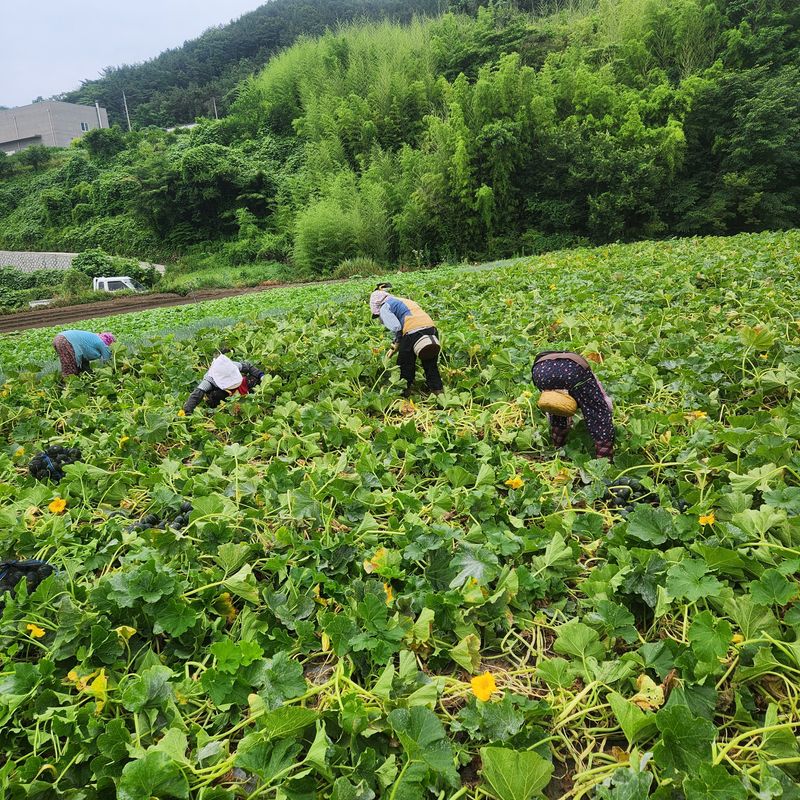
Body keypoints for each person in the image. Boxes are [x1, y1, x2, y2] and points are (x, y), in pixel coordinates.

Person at [531, 351, 614, 459]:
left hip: (540, 371)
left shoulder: (547, 361)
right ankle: (605, 458)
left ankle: (557, 447)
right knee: (597, 413)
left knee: (557, 407)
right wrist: (606, 411)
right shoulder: (588, 374)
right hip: (572, 371)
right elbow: (603, 400)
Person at [370, 287, 443, 397]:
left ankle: (405, 393)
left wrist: (396, 345)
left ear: (376, 305)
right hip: (431, 329)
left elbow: (396, 327)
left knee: (405, 364)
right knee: (430, 363)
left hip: (412, 331)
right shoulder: (404, 300)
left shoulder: (385, 307)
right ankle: (438, 393)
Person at [183, 354, 265, 414]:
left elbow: (249, 367)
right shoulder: (209, 379)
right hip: (224, 393)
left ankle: (250, 396)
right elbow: (196, 395)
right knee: (215, 396)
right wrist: (187, 411)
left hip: (240, 385)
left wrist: (262, 376)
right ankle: (226, 408)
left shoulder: (234, 366)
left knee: (253, 380)